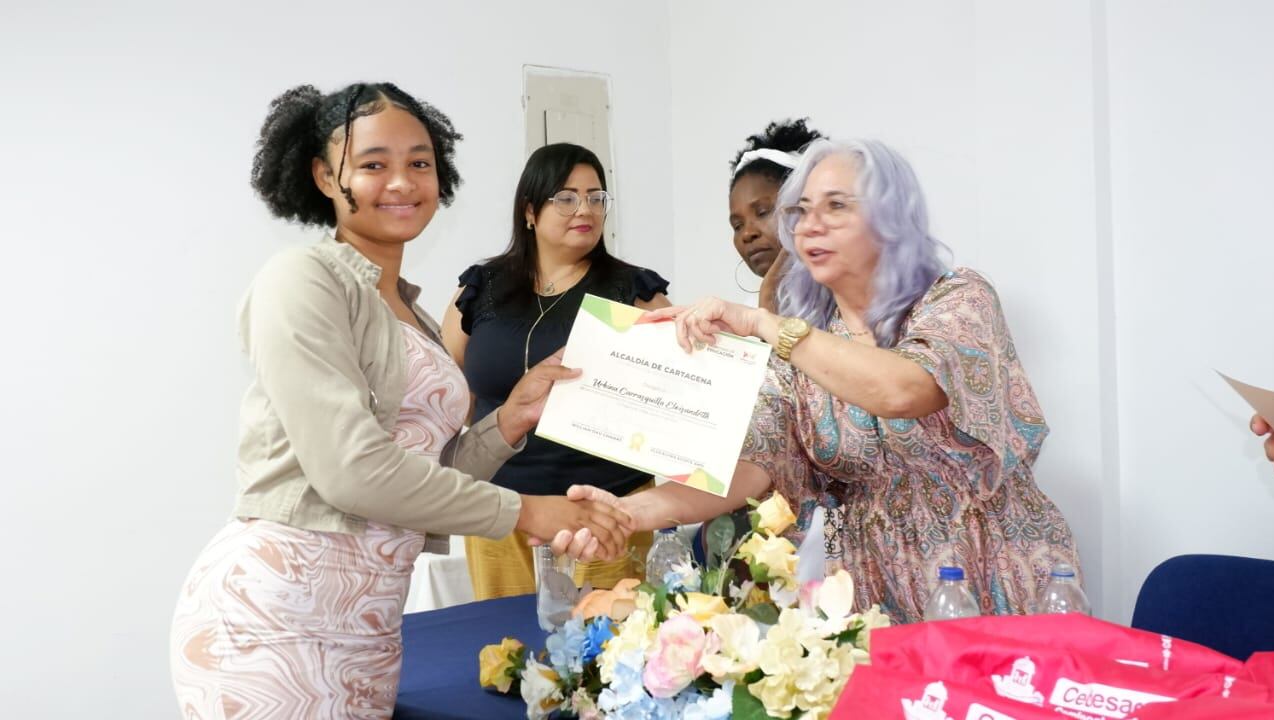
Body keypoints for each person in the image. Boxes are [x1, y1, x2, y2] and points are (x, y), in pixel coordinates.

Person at [169, 83, 628, 718]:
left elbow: (422, 480)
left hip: (371, 631)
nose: (403, 182)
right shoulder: (300, 280)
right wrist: (528, 511)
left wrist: (510, 420)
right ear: (326, 176)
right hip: (274, 620)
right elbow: (353, 473)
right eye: (373, 163)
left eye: (420, 162)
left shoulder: (409, 310)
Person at [562, 139, 1082, 624]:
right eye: (801, 211)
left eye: (836, 206)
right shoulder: (802, 346)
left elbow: (905, 388)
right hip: (856, 582)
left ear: (890, 219)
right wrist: (625, 513)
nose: (809, 226)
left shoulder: (958, 300)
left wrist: (766, 324)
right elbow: (743, 469)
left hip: (979, 574)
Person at [441, 143, 670, 600]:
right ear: (530, 211)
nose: (583, 208)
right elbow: (449, 391)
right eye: (565, 197)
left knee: (604, 654)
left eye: (595, 197)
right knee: (505, 651)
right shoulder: (480, 289)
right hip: (502, 507)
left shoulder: (634, 291)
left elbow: (671, 395)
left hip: (604, 508)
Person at [729, 119, 825, 312]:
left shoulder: (853, 303)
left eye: (763, 212)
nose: (747, 234)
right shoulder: (746, 317)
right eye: (737, 225)